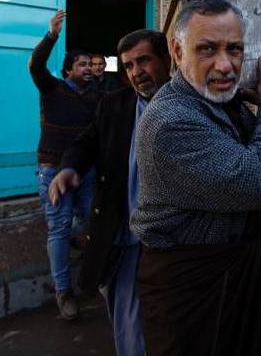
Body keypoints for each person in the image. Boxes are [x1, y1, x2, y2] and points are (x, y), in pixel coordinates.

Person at [130, 0, 261, 355]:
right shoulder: (170, 122)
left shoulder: (220, 102)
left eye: (235, 50)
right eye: (207, 49)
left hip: (243, 270)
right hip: (196, 288)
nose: (225, 65)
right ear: (177, 52)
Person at [48, 29, 171, 356]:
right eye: (129, 66)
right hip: (122, 236)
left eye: (144, 61)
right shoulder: (115, 104)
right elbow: (87, 141)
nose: (136, 72)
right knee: (129, 322)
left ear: (166, 58)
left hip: (169, 239)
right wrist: (69, 168)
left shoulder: (187, 103)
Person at [28, 9, 101, 321]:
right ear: (68, 69)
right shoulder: (52, 88)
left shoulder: (98, 97)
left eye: (90, 64)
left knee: (90, 222)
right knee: (57, 228)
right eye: (81, 64)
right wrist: (51, 36)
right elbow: (35, 65)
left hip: (86, 172)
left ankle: (92, 267)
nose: (87, 68)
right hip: (53, 170)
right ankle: (64, 292)